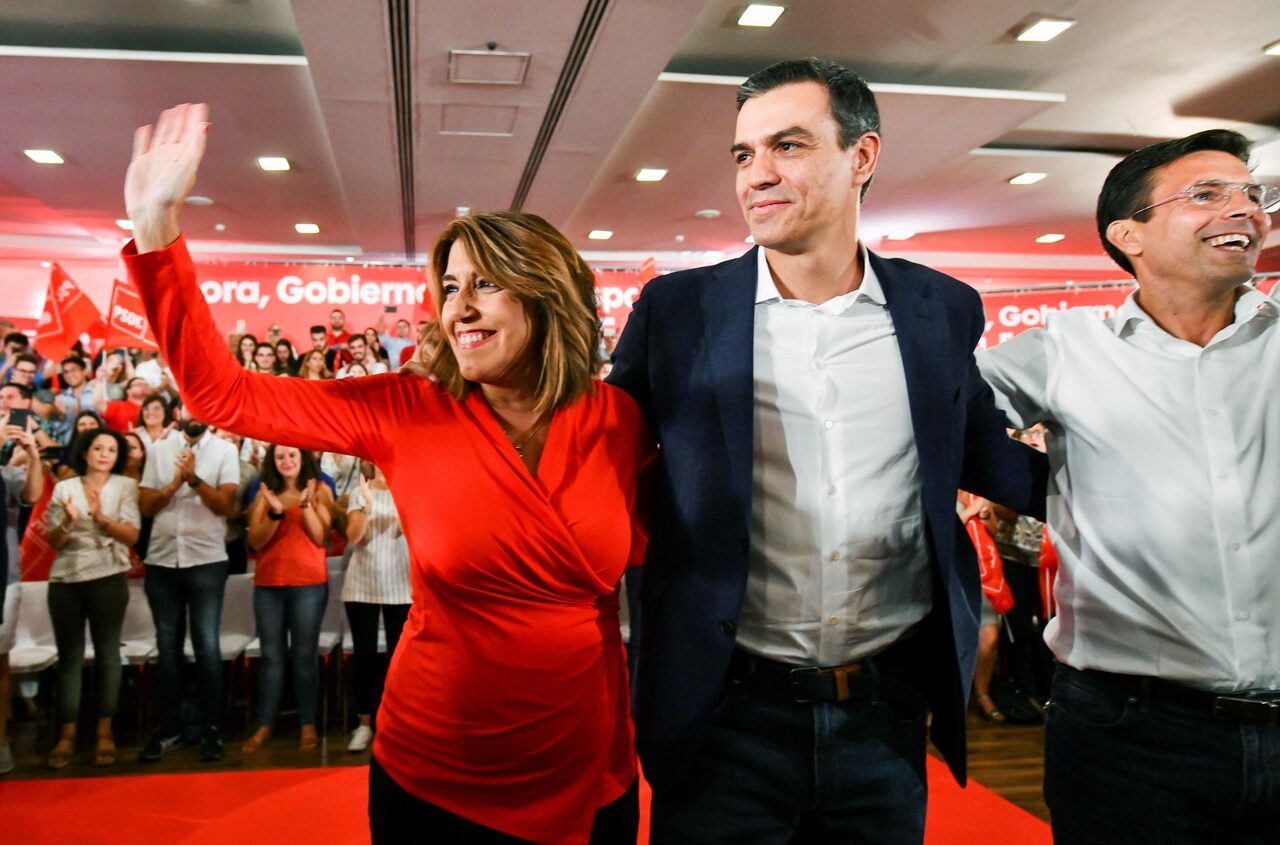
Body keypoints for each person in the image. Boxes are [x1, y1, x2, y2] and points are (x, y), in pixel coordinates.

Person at [124, 102, 651, 845]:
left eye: (483, 285)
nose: (458, 308)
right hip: (436, 770)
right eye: (450, 287)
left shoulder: (621, 420)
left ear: (545, 293)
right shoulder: (405, 408)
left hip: (589, 765)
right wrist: (156, 226)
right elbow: (223, 394)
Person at [608, 57, 1046, 843]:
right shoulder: (679, 312)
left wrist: (1138, 480)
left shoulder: (939, 308)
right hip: (722, 719)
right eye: (744, 154)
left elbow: (986, 455)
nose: (757, 175)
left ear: (862, 156)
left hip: (883, 718)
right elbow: (600, 454)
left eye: (788, 146)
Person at [977, 128, 1280, 843]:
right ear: (1128, 234)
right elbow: (940, 426)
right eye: (1207, 194)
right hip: (1127, 738)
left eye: (1253, 193)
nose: (1243, 208)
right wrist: (1055, 489)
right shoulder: (1064, 350)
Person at [138, 407, 240, 763]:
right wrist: (174, 484)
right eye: (187, 406)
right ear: (177, 411)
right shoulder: (159, 449)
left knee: (207, 646)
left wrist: (194, 479)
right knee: (167, 647)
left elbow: (226, 505)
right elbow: (146, 506)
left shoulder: (225, 451)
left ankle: (211, 727)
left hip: (206, 560)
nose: (194, 414)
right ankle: (169, 726)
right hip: (162, 560)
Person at [44, 428, 141, 769]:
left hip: (109, 577)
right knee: (69, 658)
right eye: (98, 448)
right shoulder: (64, 488)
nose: (104, 454)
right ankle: (67, 734)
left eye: (111, 450)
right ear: (86, 452)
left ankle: (104, 731)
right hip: (66, 579)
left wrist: (102, 518)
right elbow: (53, 541)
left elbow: (132, 535)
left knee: (108, 654)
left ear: (118, 457)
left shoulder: (125, 486)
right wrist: (68, 521)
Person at [242, 444, 333, 753]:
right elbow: (255, 542)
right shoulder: (263, 494)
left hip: (309, 584)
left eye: (292, 455)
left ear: (302, 458)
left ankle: (308, 723)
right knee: (271, 658)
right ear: (273, 462)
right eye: (280, 456)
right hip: (269, 585)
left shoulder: (319, 491)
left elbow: (321, 537)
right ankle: (265, 724)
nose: (286, 461)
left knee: (305, 657)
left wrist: (305, 506)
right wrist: (275, 513)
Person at [341, 463, 411, 753]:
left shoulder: (408, 491)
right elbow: (353, 537)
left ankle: (398, 722)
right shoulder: (361, 492)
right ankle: (365, 723)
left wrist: (405, 502)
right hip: (362, 584)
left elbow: (411, 531)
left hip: (401, 585)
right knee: (365, 656)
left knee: (400, 658)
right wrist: (367, 507)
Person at [0, 415, 46, 775]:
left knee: (0, 663)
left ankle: (1, 742)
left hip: (6, 579)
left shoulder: (8, 475)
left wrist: (32, 454)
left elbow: (32, 495)